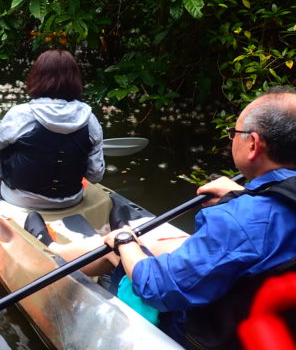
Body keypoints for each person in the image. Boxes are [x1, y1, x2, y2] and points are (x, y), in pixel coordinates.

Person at [101, 86, 296, 349]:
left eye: (234, 134)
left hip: (214, 333)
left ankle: (52, 251)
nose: (232, 139)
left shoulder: (236, 221)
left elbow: (158, 287)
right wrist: (241, 195)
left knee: (119, 252)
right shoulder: (255, 207)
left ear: (253, 144)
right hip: (278, 323)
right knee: (159, 245)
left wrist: (124, 240)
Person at [0, 49, 105, 209]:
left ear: (36, 77)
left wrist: (3, 173)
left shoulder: (21, 114)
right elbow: (95, 175)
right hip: (72, 199)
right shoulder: (90, 119)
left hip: (18, 200)